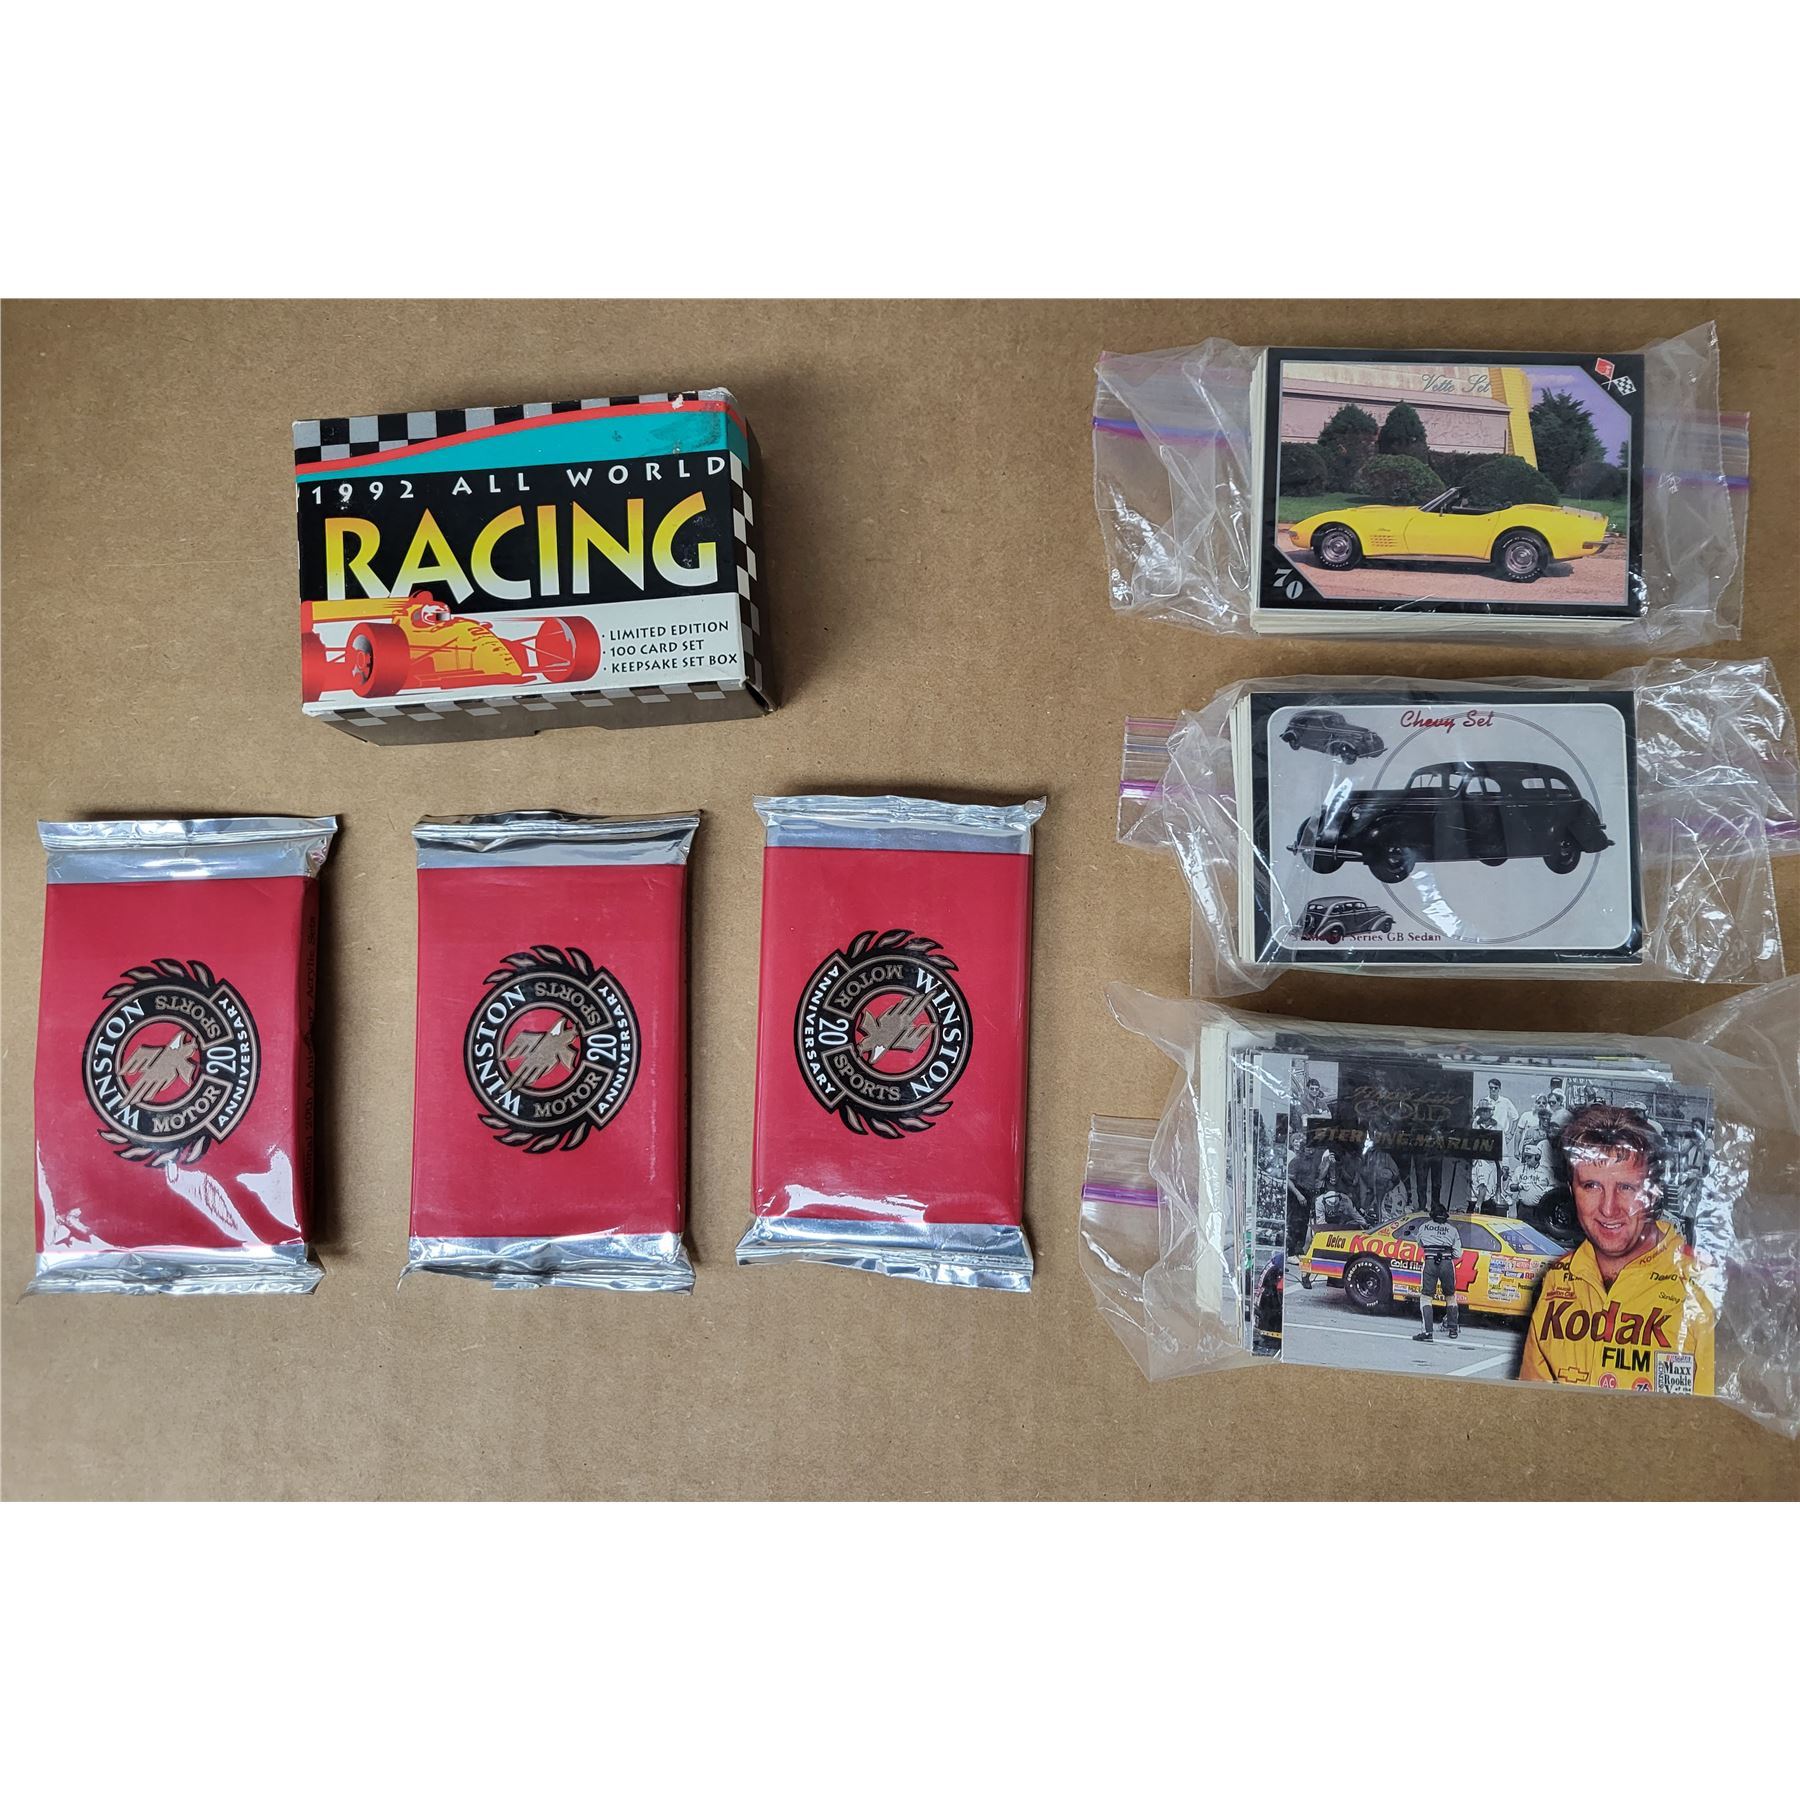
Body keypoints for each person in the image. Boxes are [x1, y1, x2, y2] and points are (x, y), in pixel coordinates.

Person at [1520, 1105, 1716, 1393]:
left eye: (1626, 1187)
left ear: (1653, 1193)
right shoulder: (1557, 1281)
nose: (1608, 1209)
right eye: (1591, 1186)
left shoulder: (1702, 1285)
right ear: (1572, 1190)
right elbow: (1532, 1406)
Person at [1413, 1201, 1461, 1342]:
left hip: (1430, 1262)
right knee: (1450, 1296)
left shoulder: (1424, 1227)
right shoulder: (1452, 1230)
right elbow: (1458, 1253)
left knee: (1426, 1297)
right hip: (1446, 1263)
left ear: (1432, 1215)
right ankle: (1453, 1329)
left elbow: (1420, 1243)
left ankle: (1428, 1332)